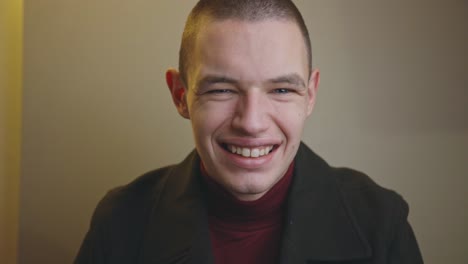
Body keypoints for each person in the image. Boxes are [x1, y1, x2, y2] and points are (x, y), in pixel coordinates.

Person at [75, 0, 423, 263]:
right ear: (180, 96)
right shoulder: (119, 222)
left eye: (282, 90)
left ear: (310, 95)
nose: (252, 122)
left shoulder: (381, 222)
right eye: (221, 90)